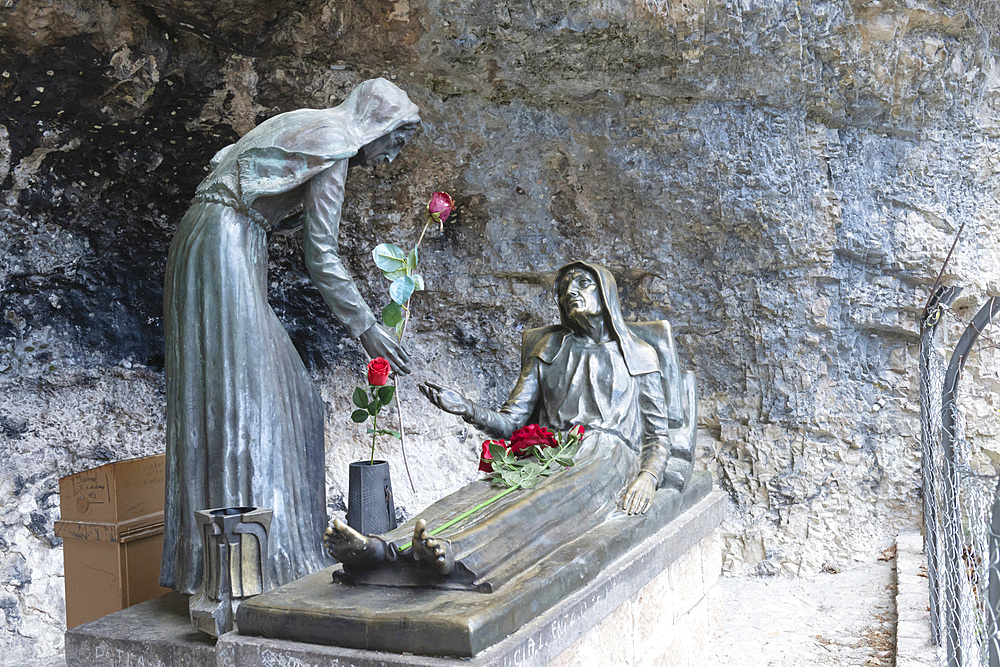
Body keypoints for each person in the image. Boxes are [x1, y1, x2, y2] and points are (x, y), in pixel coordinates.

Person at [160, 78, 420, 594]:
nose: (391, 157)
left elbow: (230, 163)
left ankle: (263, 558)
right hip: (224, 246)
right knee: (246, 400)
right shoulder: (335, 141)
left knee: (291, 401)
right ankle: (249, 569)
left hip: (215, 238)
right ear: (379, 124)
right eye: (396, 142)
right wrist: (367, 329)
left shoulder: (307, 120)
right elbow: (321, 255)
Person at [325, 261, 691, 590]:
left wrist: (648, 477)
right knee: (481, 493)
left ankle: (453, 553)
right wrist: (466, 408)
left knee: (538, 502)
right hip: (548, 448)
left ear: (606, 291)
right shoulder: (550, 349)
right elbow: (511, 422)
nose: (570, 291)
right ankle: (383, 546)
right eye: (563, 289)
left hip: (605, 457)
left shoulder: (639, 354)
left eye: (582, 282)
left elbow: (659, 435)